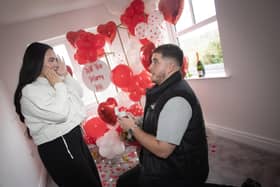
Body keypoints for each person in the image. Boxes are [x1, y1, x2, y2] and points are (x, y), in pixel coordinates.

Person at [117, 44, 209, 187]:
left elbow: (163, 150)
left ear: (170, 67)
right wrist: (138, 121)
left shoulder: (177, 98)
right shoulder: (163, 89)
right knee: (123, 182)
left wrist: (133, 128)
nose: (149, 67)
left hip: (180, 173)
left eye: (155, 61)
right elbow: (159, 118)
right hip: (167, 164)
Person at [13, 42, 102, 187]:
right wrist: (59, 84)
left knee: (93, 178)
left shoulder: (52, 81)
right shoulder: (30, 90)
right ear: (36, 62)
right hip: (59, 144)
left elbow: (78, 93)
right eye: (51, 59)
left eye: (56, 59)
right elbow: (60, 114)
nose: (55, 63)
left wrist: (65, 75)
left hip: (74, 137)